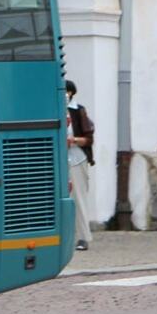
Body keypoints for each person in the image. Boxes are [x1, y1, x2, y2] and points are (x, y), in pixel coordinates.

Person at [65, 80, 96, 251]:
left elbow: (88, 138)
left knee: (79, 197)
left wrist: (73, 140)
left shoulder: (78, 111)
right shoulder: (53, 110)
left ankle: (83, 237)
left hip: (76, 158)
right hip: (59, 158)